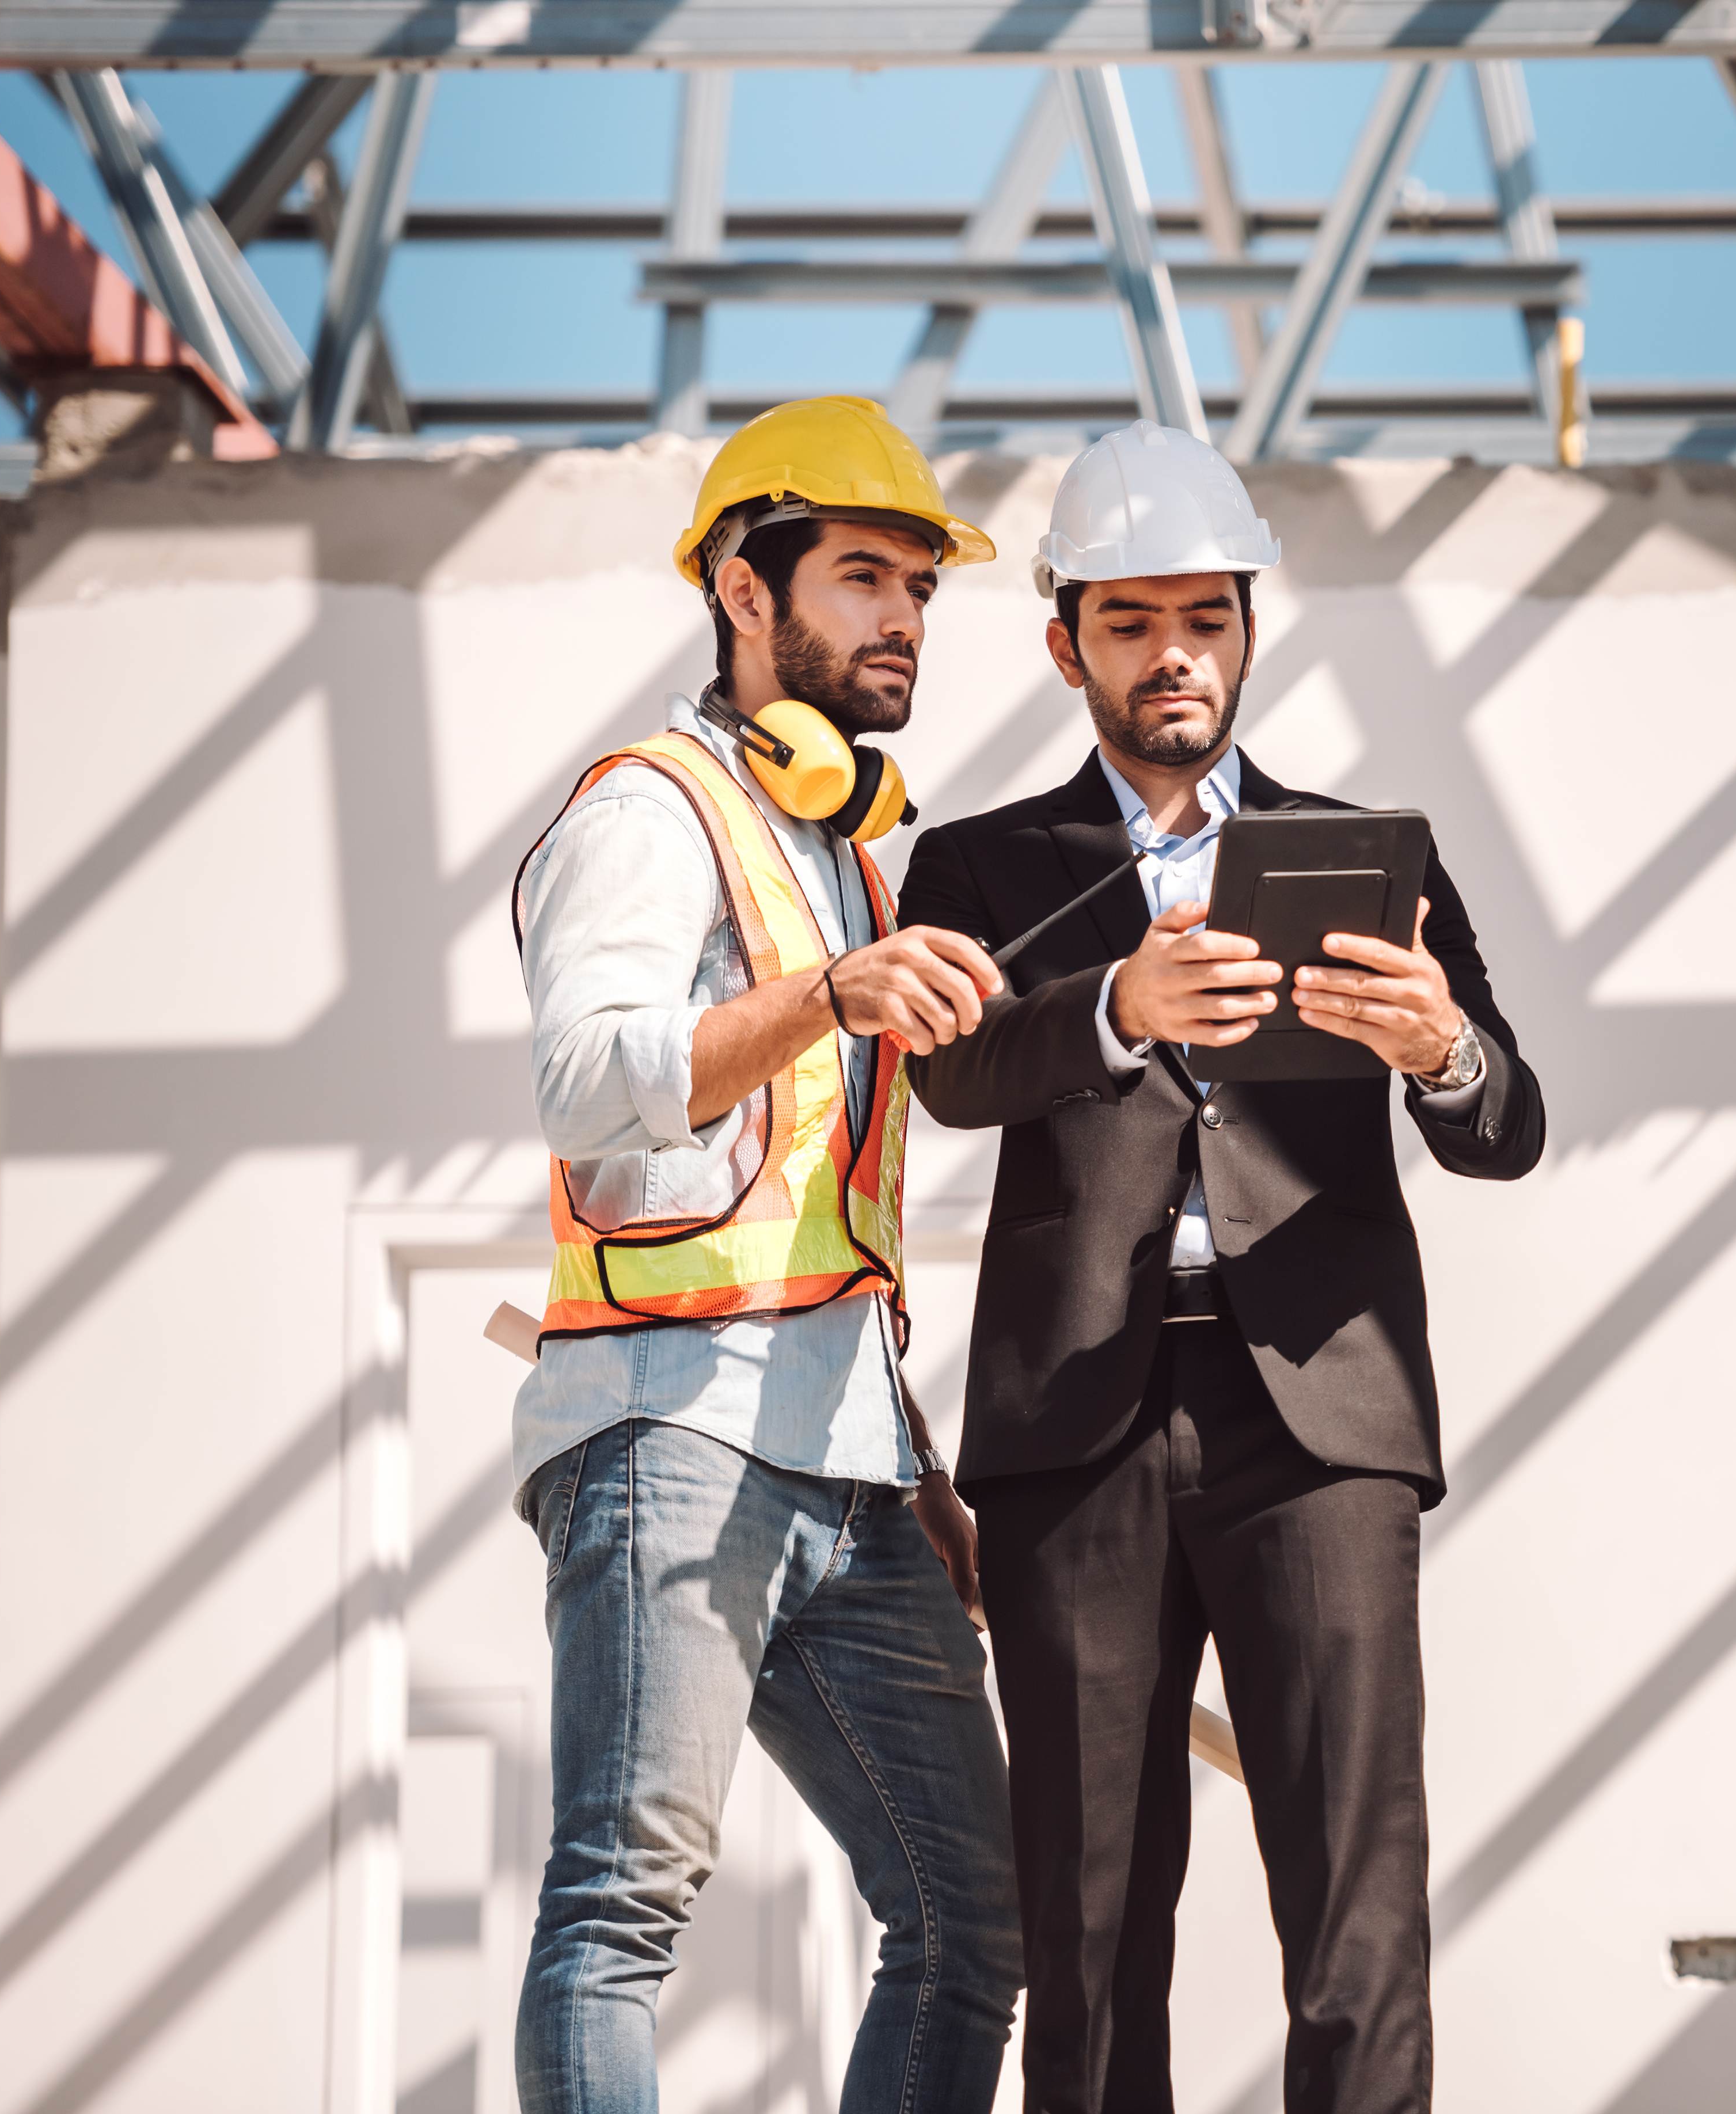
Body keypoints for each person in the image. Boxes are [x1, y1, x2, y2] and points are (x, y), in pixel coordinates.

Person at [898, 421, 1548, 2114]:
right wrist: (1116, 1007)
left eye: (1203, 617)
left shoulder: (1367, 850)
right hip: (1076, 1431)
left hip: (1318, 1421)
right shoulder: (978, 865)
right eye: (1129, 622)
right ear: (1065, 645)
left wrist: (1442, 1053)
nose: (1171, 654)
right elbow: (949, 1075)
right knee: (1091, 1920)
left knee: (1353, 1907)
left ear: (1250, 632)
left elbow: (1505, 1126)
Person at [507, 396, 1023, 2113]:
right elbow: (588, 1089)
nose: (902, 621)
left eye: (922, 590)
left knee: (970, 1924)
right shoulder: (647, 810)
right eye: (865, 576)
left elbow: (825, 1208)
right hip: (671, 1434)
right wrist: (823, 994)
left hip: (854, 1474)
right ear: (746, 589)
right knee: (619, 1907)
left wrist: (918, 1460)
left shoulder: (846, 855)